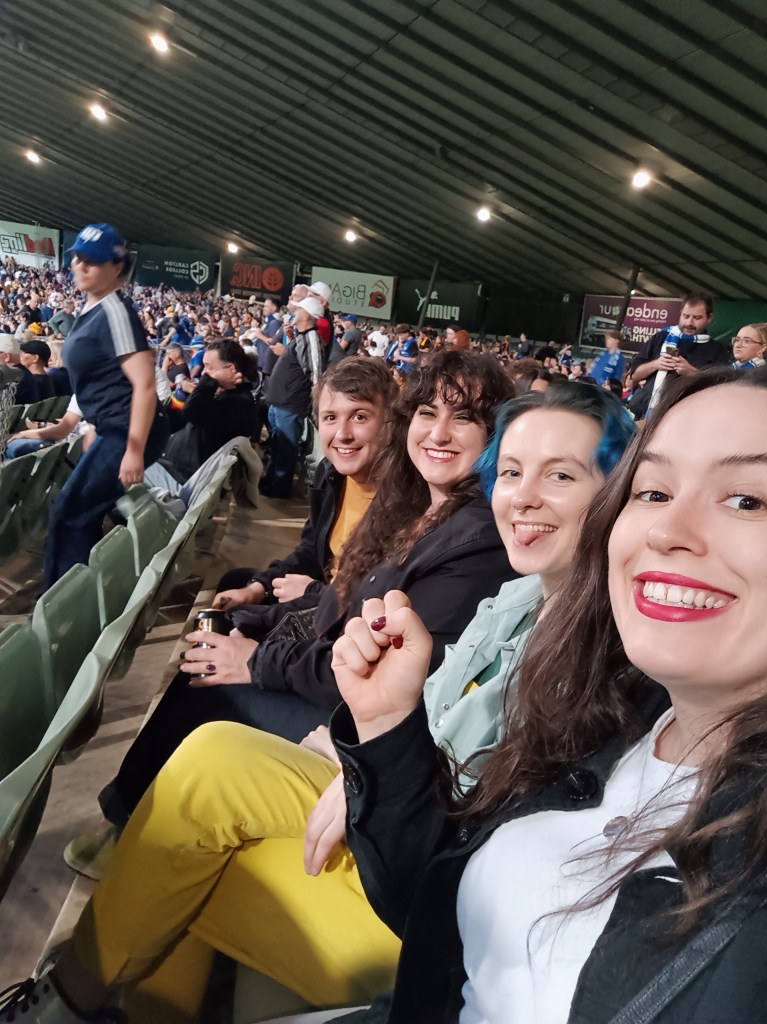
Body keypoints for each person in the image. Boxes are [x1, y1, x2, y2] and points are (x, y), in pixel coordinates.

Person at [5, 386, 635, 1024]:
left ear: (620, 492)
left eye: (560, 475)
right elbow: (415, 690)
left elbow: (478, 821)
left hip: (437, 912)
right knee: (206, 771)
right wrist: (363, 750)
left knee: (188, 848)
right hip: (394, 813)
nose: (523, 495)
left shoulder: (599, 649)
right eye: (512, 471)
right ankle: (81, 1001)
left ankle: (69, 999)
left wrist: (374, 769)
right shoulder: (521, 597)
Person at [312, 366, 767, 1024]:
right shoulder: (615, 719)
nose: (667, 529)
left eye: (747, 500)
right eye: (655, 491)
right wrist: (386, 725)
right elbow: (441, 911)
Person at [93, 350, 515, 834]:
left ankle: (130, 823)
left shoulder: (476, 539)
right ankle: (131, 817)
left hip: (366, 729)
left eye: (463, 418)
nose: (438, 434)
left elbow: (381, 674)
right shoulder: (413, 505)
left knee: (209, 694)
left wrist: (257, 661)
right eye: (427, 413)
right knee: (210, 658)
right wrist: (260, 622)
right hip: (339, 685)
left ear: (493, 435)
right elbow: (340, 599)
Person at [212, 358, 397, 636]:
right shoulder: (330, 474)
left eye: (360, 416)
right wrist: (259, 587)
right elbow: (311, 550)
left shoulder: (403, 499)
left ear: (390, 422)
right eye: (330, 418)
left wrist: (312, 592)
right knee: (237, 583)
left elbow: (371, 602)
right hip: (323, 595)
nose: (342, 434)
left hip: (347, 624)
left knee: (234, 628)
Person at [42, 224, 169, 590]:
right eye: (77, 258)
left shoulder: (114, 310)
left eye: (92, 261)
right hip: (112, 427)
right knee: (77, 512)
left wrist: (134, 448)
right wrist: (95, 425)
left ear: (116, 267)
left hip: (129, 430)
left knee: (70, 513)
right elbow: (103, 378)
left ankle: (62, 606)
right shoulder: (93, 307)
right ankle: (74, 598)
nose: (80, 266)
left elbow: (144, 384)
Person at [161, 341, 258, 481]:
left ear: (229, 369)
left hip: (181, 475)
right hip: (177, 467)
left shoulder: (238, 403)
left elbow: (191, 412)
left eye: (209, 367)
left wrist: (209, 382)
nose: (203, 373)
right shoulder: (229, 396)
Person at [260, 296, 325, 499]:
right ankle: (271, 480)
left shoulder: (312, 338)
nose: (293, 312)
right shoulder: (302, 336)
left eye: (298, 310)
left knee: (286, 448)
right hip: (281, 402)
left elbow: (316, 375)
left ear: (308, 315)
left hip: (290, 405)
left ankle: (280, 487)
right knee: (277, 445)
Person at [628, 290, 729, 417]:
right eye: (686, 316)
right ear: (680, 313)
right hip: (643, 411)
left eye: (697, 318)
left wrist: (692, 373)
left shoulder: (716, 349)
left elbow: (720, 388)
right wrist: (656, 364)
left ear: (709, 318)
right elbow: (635, 375)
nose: (689, 323)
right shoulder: (660, 337)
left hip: (684, 416)